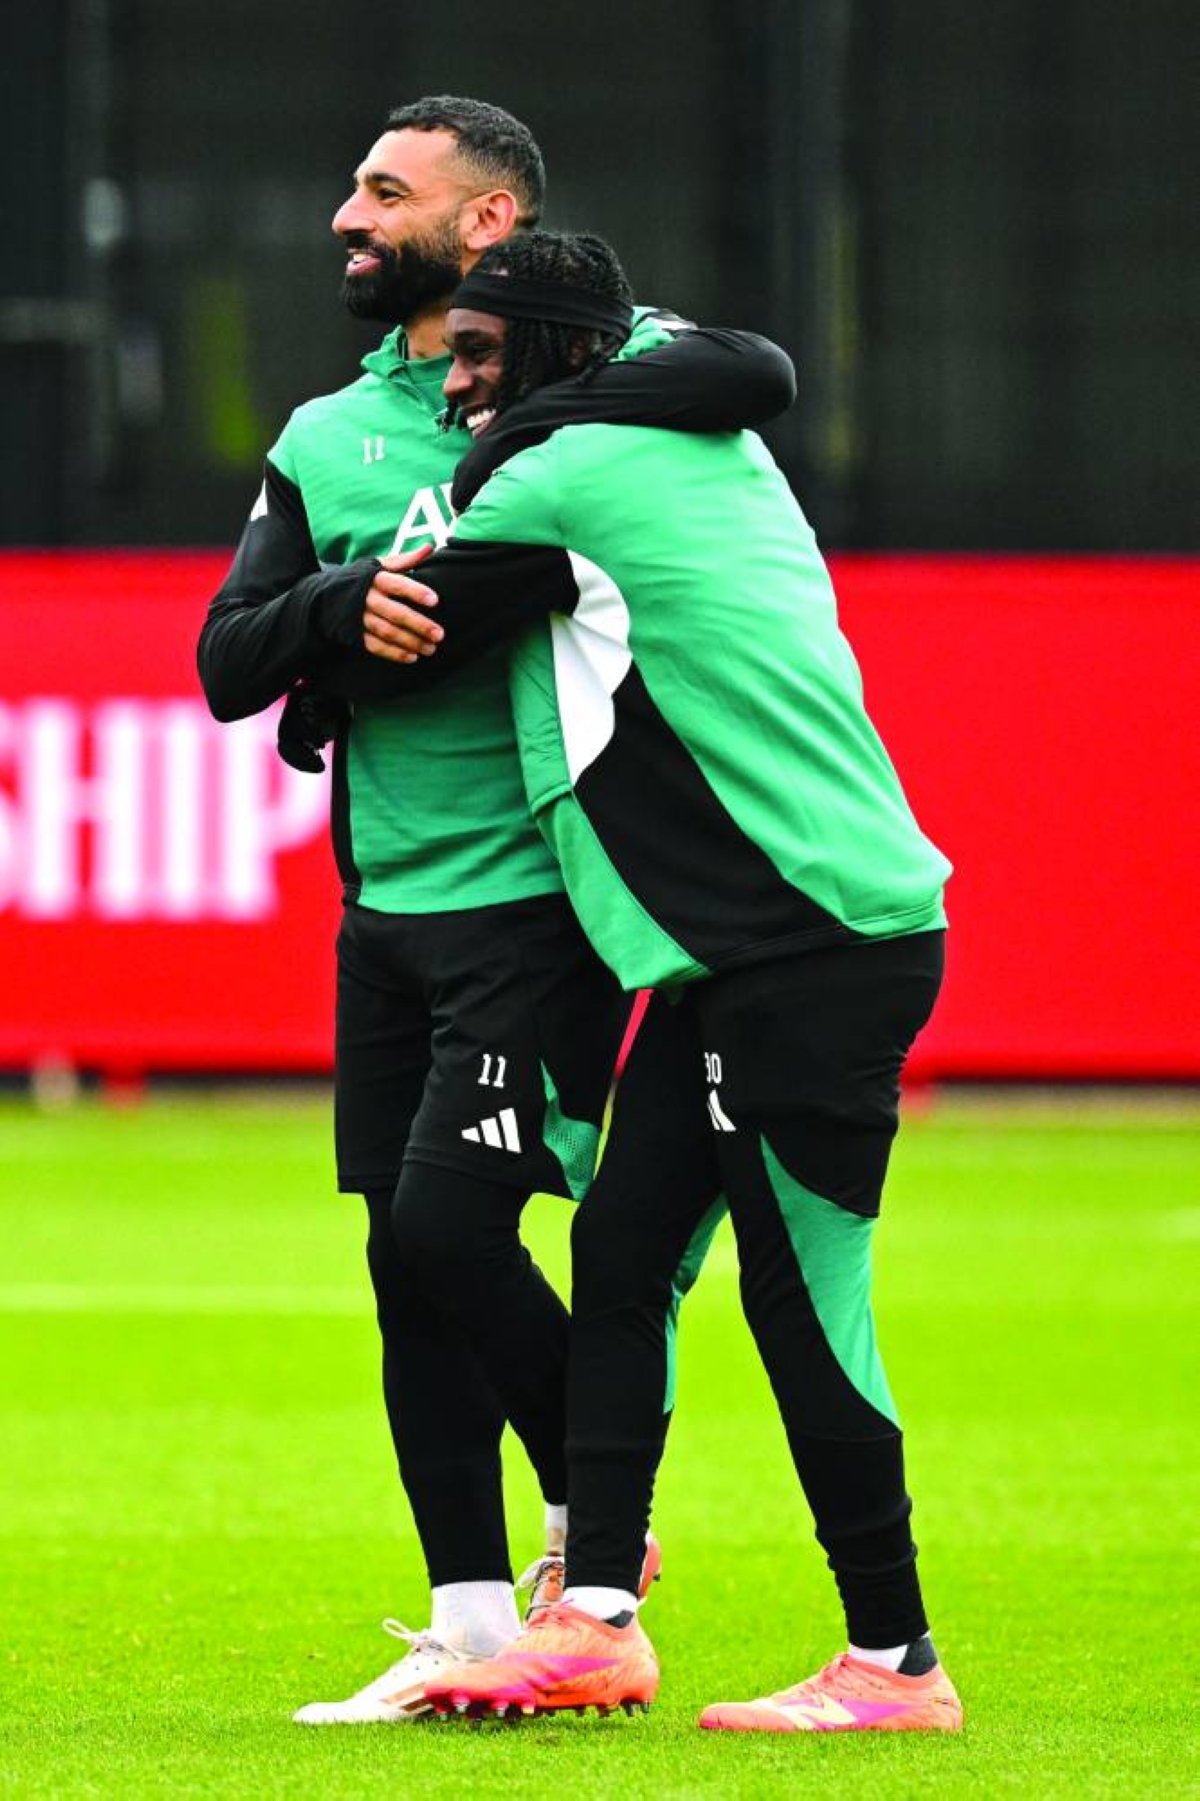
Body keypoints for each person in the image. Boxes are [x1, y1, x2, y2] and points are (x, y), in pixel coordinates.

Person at [305, 227, 964, 1735]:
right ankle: (595, 1614)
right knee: (622, 1247)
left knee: (809, 1302)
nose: (457, 388)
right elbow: (736, 364)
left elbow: (413, 627)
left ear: (548, 354)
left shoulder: (549, 475)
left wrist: (311, 680)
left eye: (480, 357)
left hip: (813, 942)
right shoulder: (702, 435)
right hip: (756, 946)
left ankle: (897, 1660)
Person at [197, 100, 795, 1725]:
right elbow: (225, 661)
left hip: (534, 899)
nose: (344, 214)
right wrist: (331, 618)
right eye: (350, 185)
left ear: (489, 222)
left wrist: (378, 632)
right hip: (380, 902)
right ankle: (469, 1621)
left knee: (443, 1230)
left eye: (384, 191)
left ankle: (603, 1538)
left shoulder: (584, 373)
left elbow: (756, 372)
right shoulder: (327, 434)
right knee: (406, 1265)